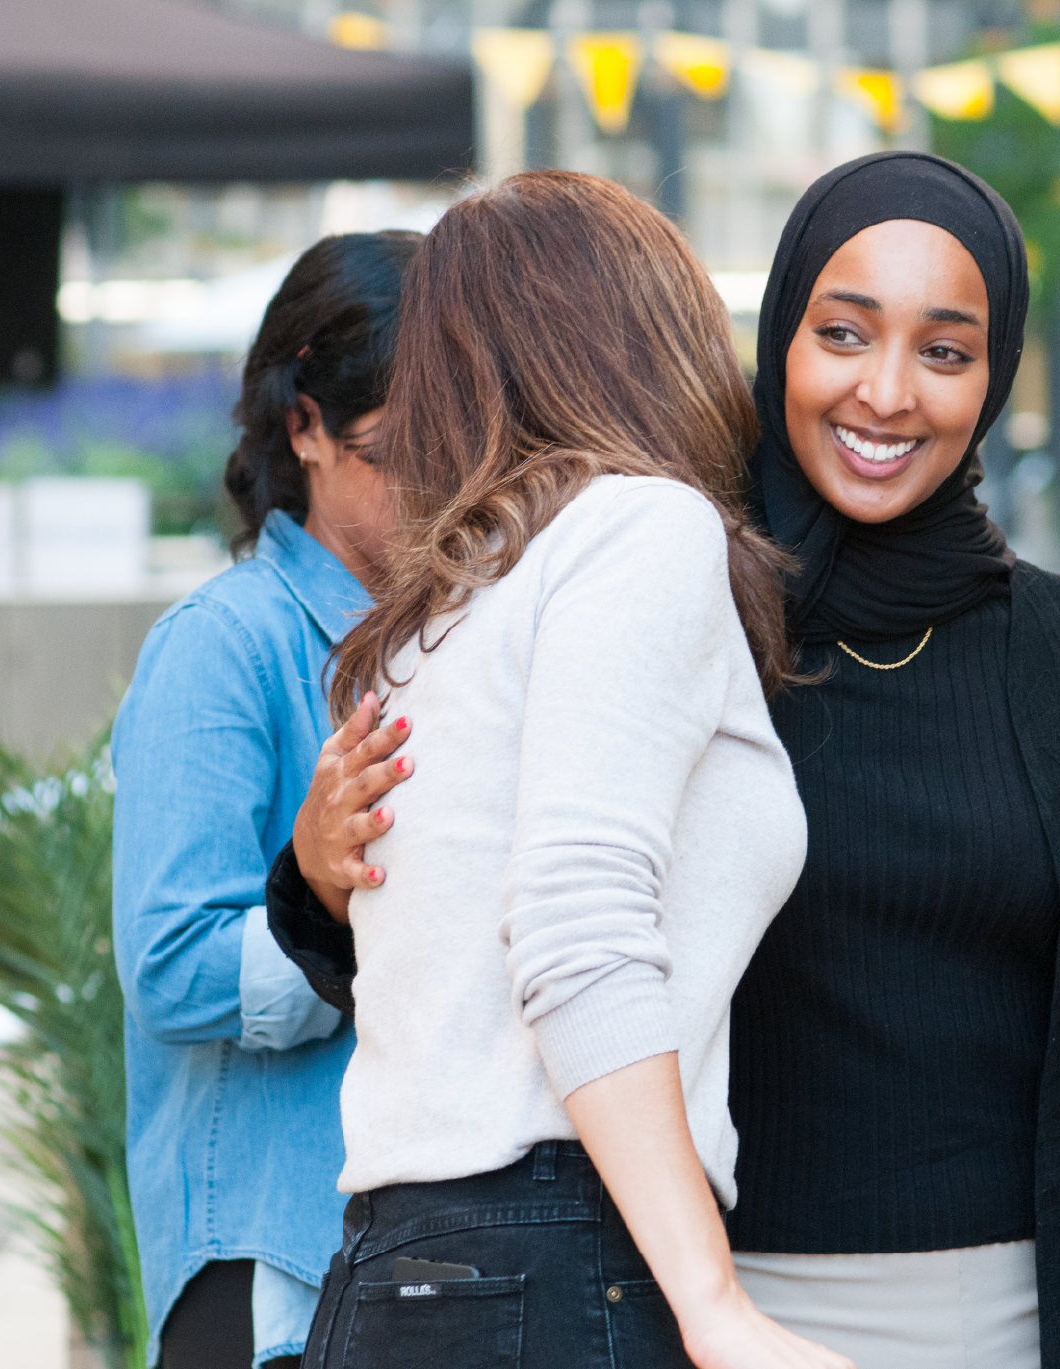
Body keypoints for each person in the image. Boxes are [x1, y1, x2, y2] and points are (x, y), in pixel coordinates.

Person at [281, 152, 1060, 1369]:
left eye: (946, 352)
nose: (888, 392)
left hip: (1037, 1309)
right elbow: (523, 930)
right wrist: (320, 877)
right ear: (775, 340)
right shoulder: (662, 583)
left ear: (996, 372)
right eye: (843, 334)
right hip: (711, 1304)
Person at [270, 172, 847, 1369]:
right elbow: (577, 923)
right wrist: (712, 1302)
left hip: (399, 1265)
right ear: (643, 331)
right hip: (559, 1245)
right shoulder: (637, 530)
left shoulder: (444, 607)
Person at [111, 229, 418, 1369]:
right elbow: (169, 965)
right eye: (401, 452)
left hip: (420, 1256)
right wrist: (315, 892)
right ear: (305, 427)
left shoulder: (461, 639)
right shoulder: (222, 644)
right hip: (272, 1271)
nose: (444, 484)